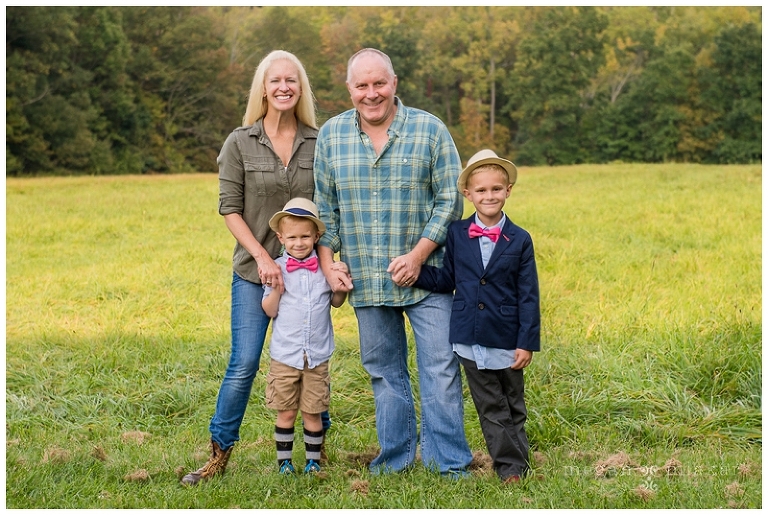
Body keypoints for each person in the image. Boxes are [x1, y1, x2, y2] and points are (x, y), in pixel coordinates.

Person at [313, 48, 473, 476]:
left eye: (379, 83)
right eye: (362, 86)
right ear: (350, 89)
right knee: (385, 373)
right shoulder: (331, 136)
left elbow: (449, 199)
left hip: (429, 278)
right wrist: (329, 265)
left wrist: (419, 254)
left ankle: (450, 463)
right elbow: (324, 210)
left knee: (440, 368)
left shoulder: (430, 130)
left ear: (394, 83)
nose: (371, 94)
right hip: (366, 279)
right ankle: (395, 461)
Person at [181, 50, 333, 486]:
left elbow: (328, 211)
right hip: (255, 275)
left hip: (307, 277)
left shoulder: (318, 141)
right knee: (244, 363)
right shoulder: (239, 142)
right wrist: (265, 259)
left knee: (311, 358)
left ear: (300, 88)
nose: (283, 87)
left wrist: (327, 266)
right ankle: (218, 455)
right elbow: (230, 209)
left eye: (292, 80)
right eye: (275, 80)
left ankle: (316, 451)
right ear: (262, 88)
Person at [413, 149, 541, 484]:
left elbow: (529, 296)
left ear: (508, 190)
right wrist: (415, 272)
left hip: (508, 338)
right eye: (481, 190)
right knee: (492, 406)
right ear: (468, 194)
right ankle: (509, 469)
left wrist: (526, 342)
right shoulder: (457, 233)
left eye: (496, 189)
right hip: (470, 338)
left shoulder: (521, 239)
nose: (489, 196)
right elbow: (447, 279)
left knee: (514, 403)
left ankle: (520, 458)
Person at [261, 198, 347, 475]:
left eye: (305, 237)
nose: (299, 243)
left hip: (317, 356)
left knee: (312, 413)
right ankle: (284, 463)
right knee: (286, 412)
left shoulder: (325, 268)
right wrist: (276, 289)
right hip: (286, 355)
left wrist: (341, 284)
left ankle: (313, 462)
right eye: (292, 237)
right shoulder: (277, 269)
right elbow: (269, 310)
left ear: (316, 236)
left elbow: (336, 302)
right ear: (281, 238)